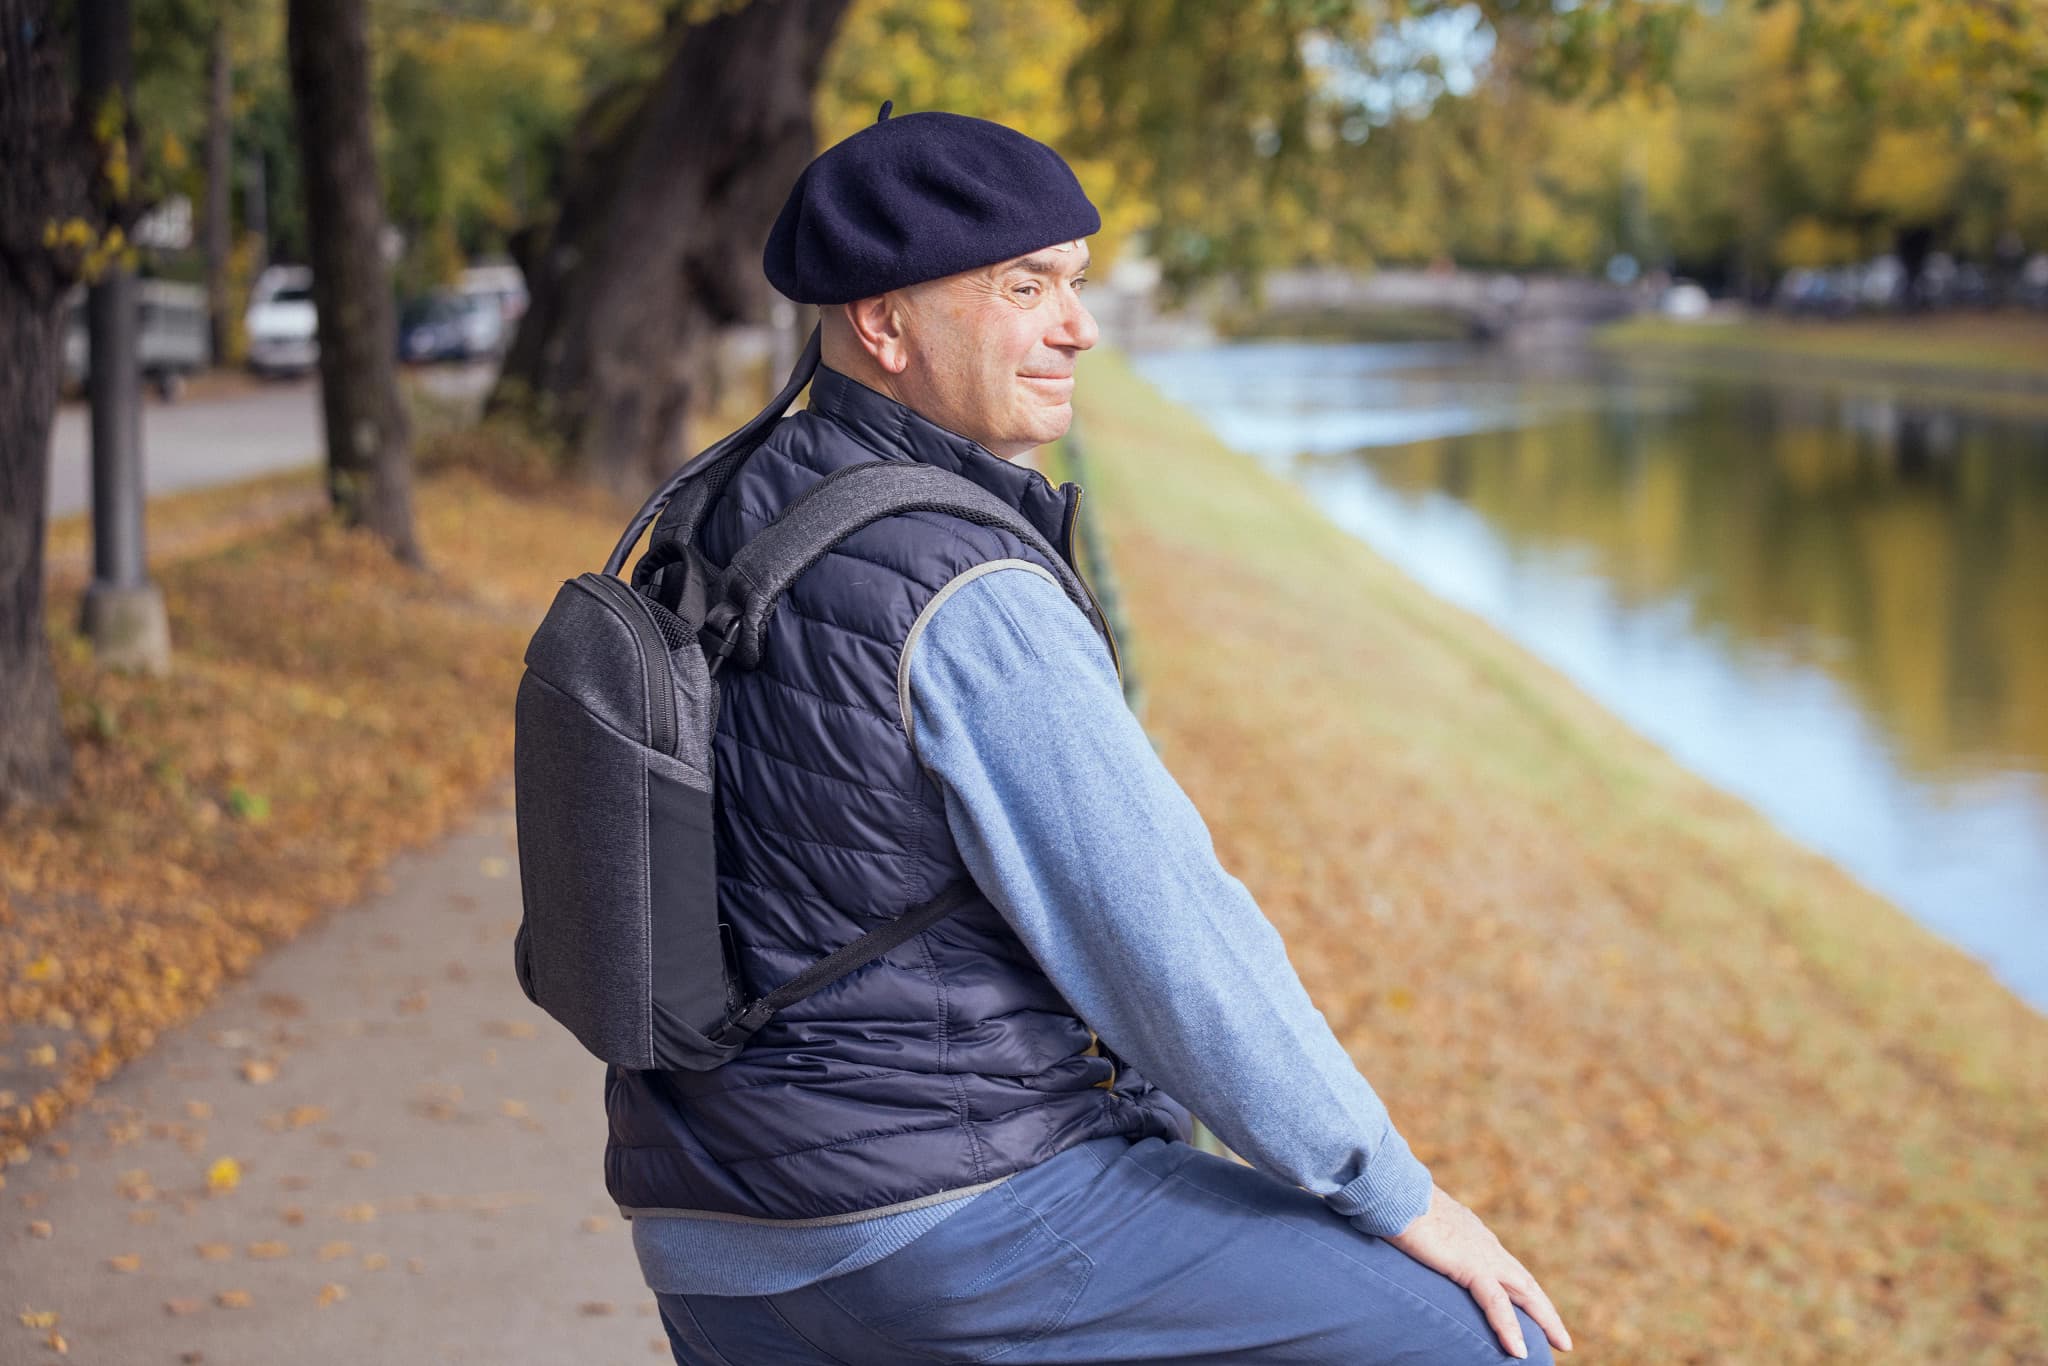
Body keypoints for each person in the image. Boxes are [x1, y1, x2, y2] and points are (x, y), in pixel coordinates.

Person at [622, 102, 1574, 1365]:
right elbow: (1169, 937)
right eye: (1024, 287)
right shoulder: (961, 586)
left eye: (1073, 282)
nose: (1076, 324)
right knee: (1463, 1338)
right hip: (949, 1224)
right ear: (882, 322)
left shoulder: (710, 513)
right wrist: (1396, 1192)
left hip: (703, 1232)